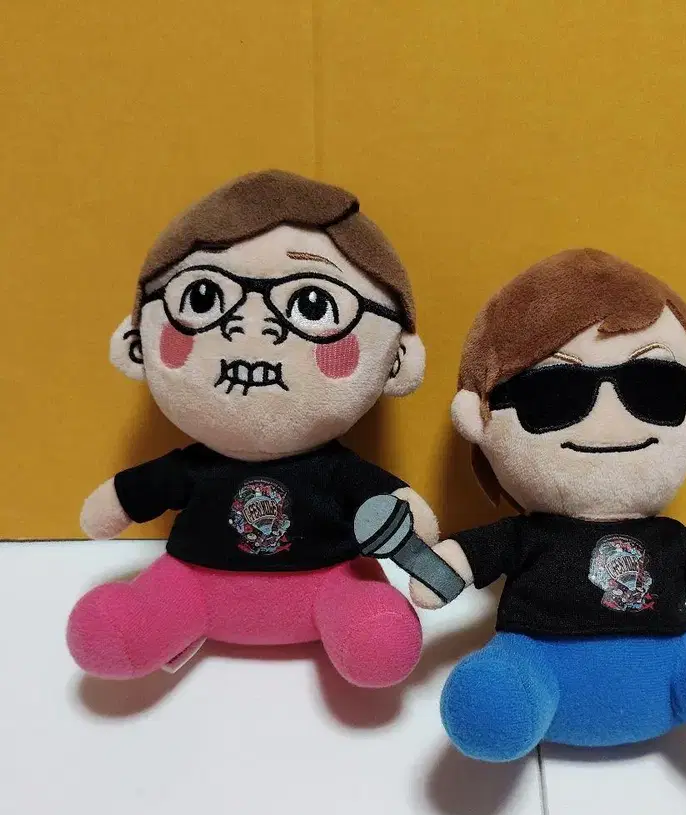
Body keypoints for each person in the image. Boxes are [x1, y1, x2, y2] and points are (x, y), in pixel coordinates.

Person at [410, 249, 686, 761]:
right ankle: (510, 701)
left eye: (654, 387)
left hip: (673, 671)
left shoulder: (673, 539)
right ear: (479, 417)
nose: (609, 412)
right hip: (538, 664)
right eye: (554, 394)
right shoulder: (527, 536)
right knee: (495, 702)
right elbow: (459, 563)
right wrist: (431, 573)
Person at [67, 170, 436, 688]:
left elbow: (397, 513)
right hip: (193, 582)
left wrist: (412, 529)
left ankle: (363, 629)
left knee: (376, 637)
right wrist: (116, 504)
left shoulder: (334, 471)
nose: (253, 326)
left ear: (396, 362)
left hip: (329, 582)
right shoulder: (195, 466)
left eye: (311, 304)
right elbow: (133, 494)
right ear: (136, 345)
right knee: (116, 630)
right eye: (202, 298)